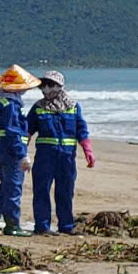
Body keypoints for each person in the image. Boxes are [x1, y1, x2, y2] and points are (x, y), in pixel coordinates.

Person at [28, 73, 93, 235]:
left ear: (59, 85)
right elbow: (27, 132)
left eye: (50, 85)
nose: (46, 89)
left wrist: (88, 150)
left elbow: (81, 130)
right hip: (45, 157)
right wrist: (22, 154)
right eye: (43, 86)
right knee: (41, 190)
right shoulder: (38, 107)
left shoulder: (73, 106)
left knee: (65, 191)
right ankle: (42, 227)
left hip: (67, 158)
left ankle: (66, 226)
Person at [0, 65, 36, 235]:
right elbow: (13, 131)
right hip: (10, 150)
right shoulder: (10, 105)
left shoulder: (0, 102)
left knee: (6, 185)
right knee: (13, 186)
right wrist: (22, 155)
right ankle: (12, 225)